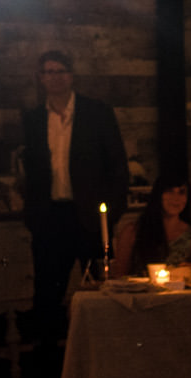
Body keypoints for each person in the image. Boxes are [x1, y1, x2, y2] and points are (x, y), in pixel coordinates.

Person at [21, 51, 130, 338]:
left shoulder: (96, 113)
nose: (54, 77)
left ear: (71, 75)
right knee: (46, 294)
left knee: (103, 291)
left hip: (89, 216)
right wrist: (33, 215)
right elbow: (31, 171)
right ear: (41, 77)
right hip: (50, 216)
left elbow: (118, 166)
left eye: (59, 71)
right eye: (48, 72)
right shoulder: (33, 119)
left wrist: (109, 215)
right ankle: (49, 369)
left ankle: (107, 359)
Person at [114, 177, 191, 276]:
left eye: (181, 192)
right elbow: (119, 275)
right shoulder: (133, 231)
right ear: (158, 195)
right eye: (170, 191)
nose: (176, 198)